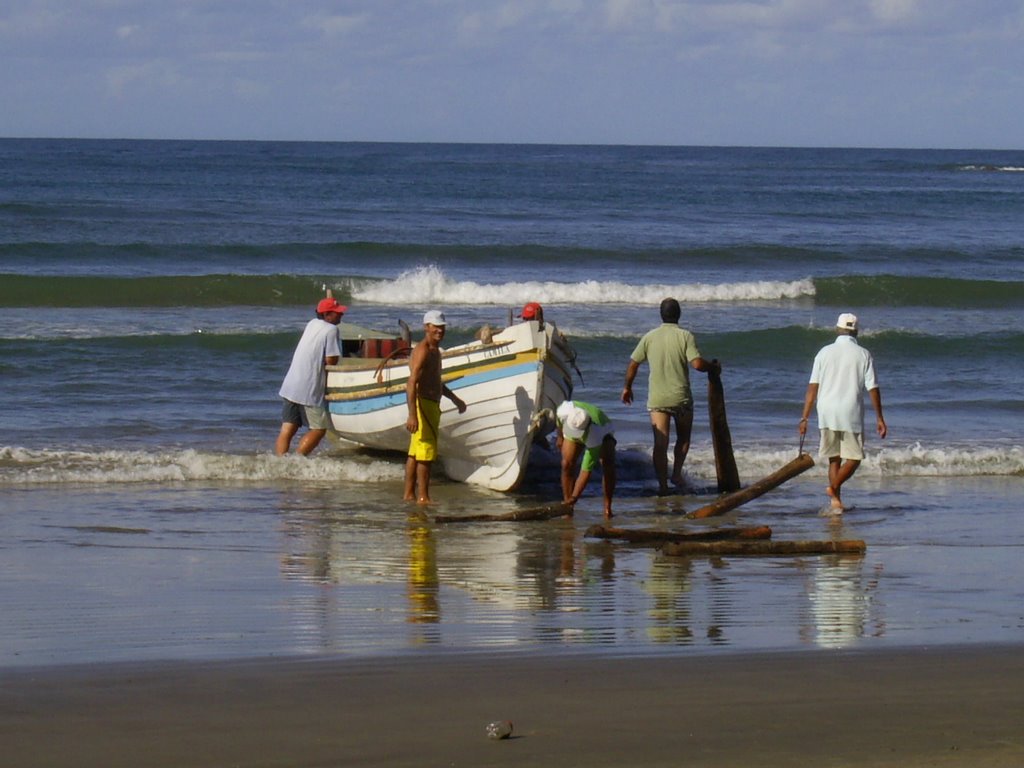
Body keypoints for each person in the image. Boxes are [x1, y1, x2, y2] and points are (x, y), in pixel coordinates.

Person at [621, 297, 720, 495]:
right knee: (683, 439)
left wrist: (627, 387)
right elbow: (697, 364)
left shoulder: (649, 337)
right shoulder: (685, 336)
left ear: (661, 314)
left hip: (657, 399)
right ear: (679, 315)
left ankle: (663, 485)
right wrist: (714, 367)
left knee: (660, 443)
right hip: (680, 398)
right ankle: (676, 474)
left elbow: (633, 363)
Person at [799, 312, 887, 512]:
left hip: (826, 410)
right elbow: (872, 388)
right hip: (850, 411)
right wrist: (880, 417)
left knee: (834, 458)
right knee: (854, 458)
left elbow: (812, 388)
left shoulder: (823, 352)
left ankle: (835, 502)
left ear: (837, 329)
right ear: (856, 331)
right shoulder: (864, 354)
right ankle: (834, 488)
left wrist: (804, 417)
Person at [404, 310, 468, 504]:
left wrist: (454, 398)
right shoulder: (423, 351)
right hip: (424, 405)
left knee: (415, 453)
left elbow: (435, 381)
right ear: (426, 328)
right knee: (426, 453)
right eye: (435, 327)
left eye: (442, 327)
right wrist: (412, 415)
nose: (440, 330)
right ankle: (423, 496)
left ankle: (408, 494)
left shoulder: (435, 351)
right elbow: (411, 383)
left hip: (430, 403)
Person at [276, 297, 347, 455]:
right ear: (327, 315)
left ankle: (280, 462)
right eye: (337, 313)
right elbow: (331, 359)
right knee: (319, 429)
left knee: (287, 429)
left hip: (290, 385)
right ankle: (297, 460)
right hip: (310, 388)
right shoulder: (332, 330)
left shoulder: (311, 324)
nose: (341, 315)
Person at [555, 399, 617, 518]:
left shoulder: (595, 435)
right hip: (574, 424)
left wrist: (575, 497)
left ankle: (607, 507)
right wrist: (559, 436)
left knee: (607, 462)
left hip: (604, 429)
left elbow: (586, 471)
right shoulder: (564, 410)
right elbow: (559, 422)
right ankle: (568, 508)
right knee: (566, 464)